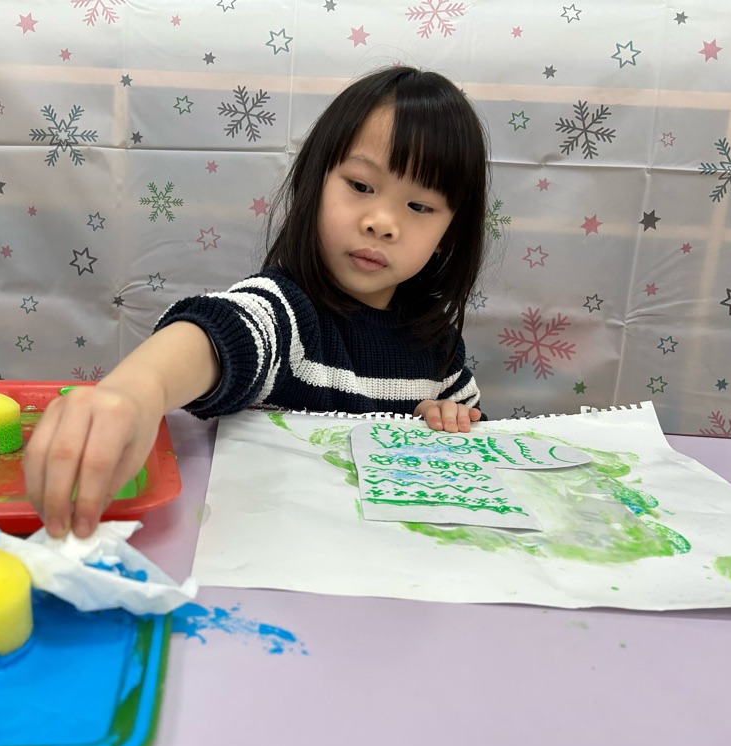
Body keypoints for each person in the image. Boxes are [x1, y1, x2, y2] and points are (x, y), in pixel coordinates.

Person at [25, 66, 490, 538]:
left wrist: (446, 423)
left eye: (419, 207)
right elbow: (220, 331)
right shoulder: (287, 311)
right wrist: (135, 392)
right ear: (314, 182)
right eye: (360, 186)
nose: (381, 222)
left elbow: (477, 452)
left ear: (448, 235)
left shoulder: (440, 350)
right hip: (274, 550)